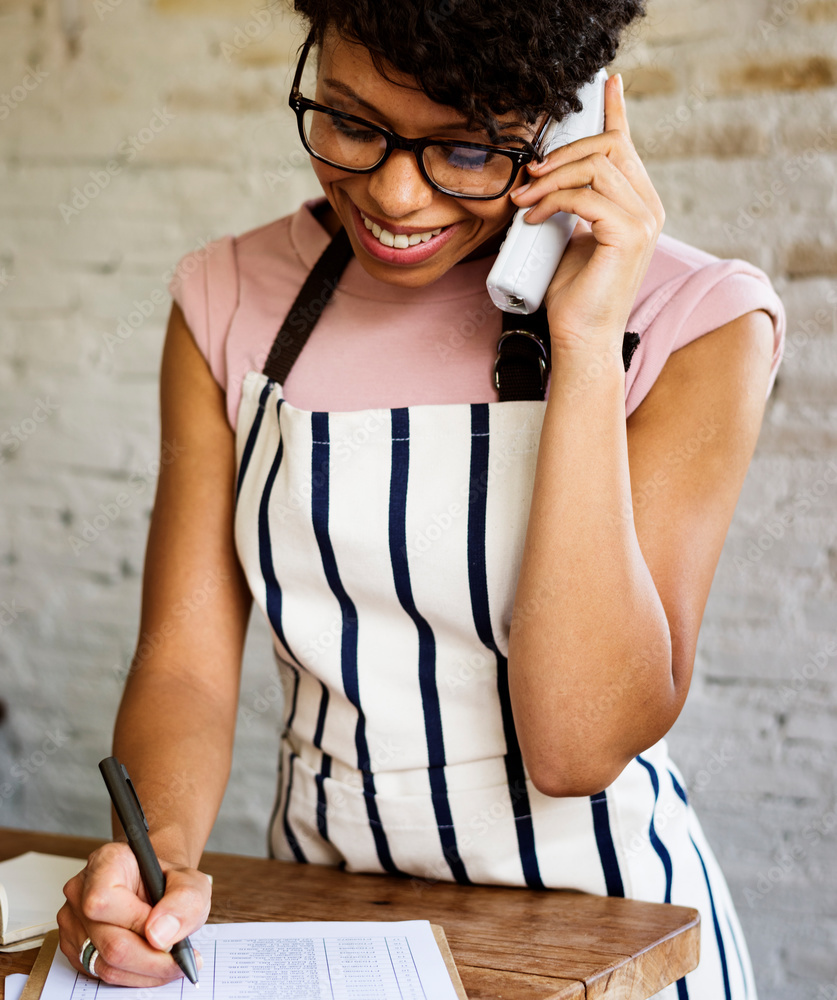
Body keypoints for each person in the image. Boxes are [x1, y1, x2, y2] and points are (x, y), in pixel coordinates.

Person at [57, 1, 786, 996]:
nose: (396, 194)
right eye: (353, 123)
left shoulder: (698, 324)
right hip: (327, 936)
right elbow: (185, 666)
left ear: (562, 125)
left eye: (469, 149)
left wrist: (581, 343)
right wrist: (160, 862)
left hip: (610, 948)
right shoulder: (229, 302)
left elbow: (576, 745)